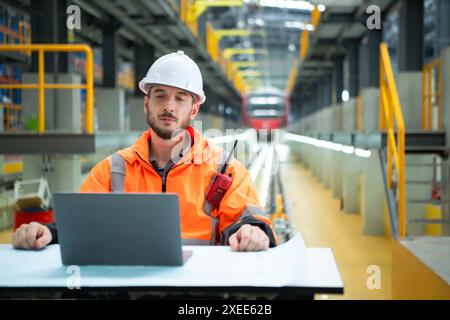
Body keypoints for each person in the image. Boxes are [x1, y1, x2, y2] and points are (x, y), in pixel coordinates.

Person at [12, 51, 277, 252]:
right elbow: (77, 227)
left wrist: (254, 231)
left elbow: (250, 219)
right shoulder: (112, 170)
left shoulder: (225, 169)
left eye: (180, 98)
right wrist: (45, 232)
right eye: (160, 95)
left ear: (193, 109)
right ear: (146, 103)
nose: (169, 107)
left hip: (199, 291)